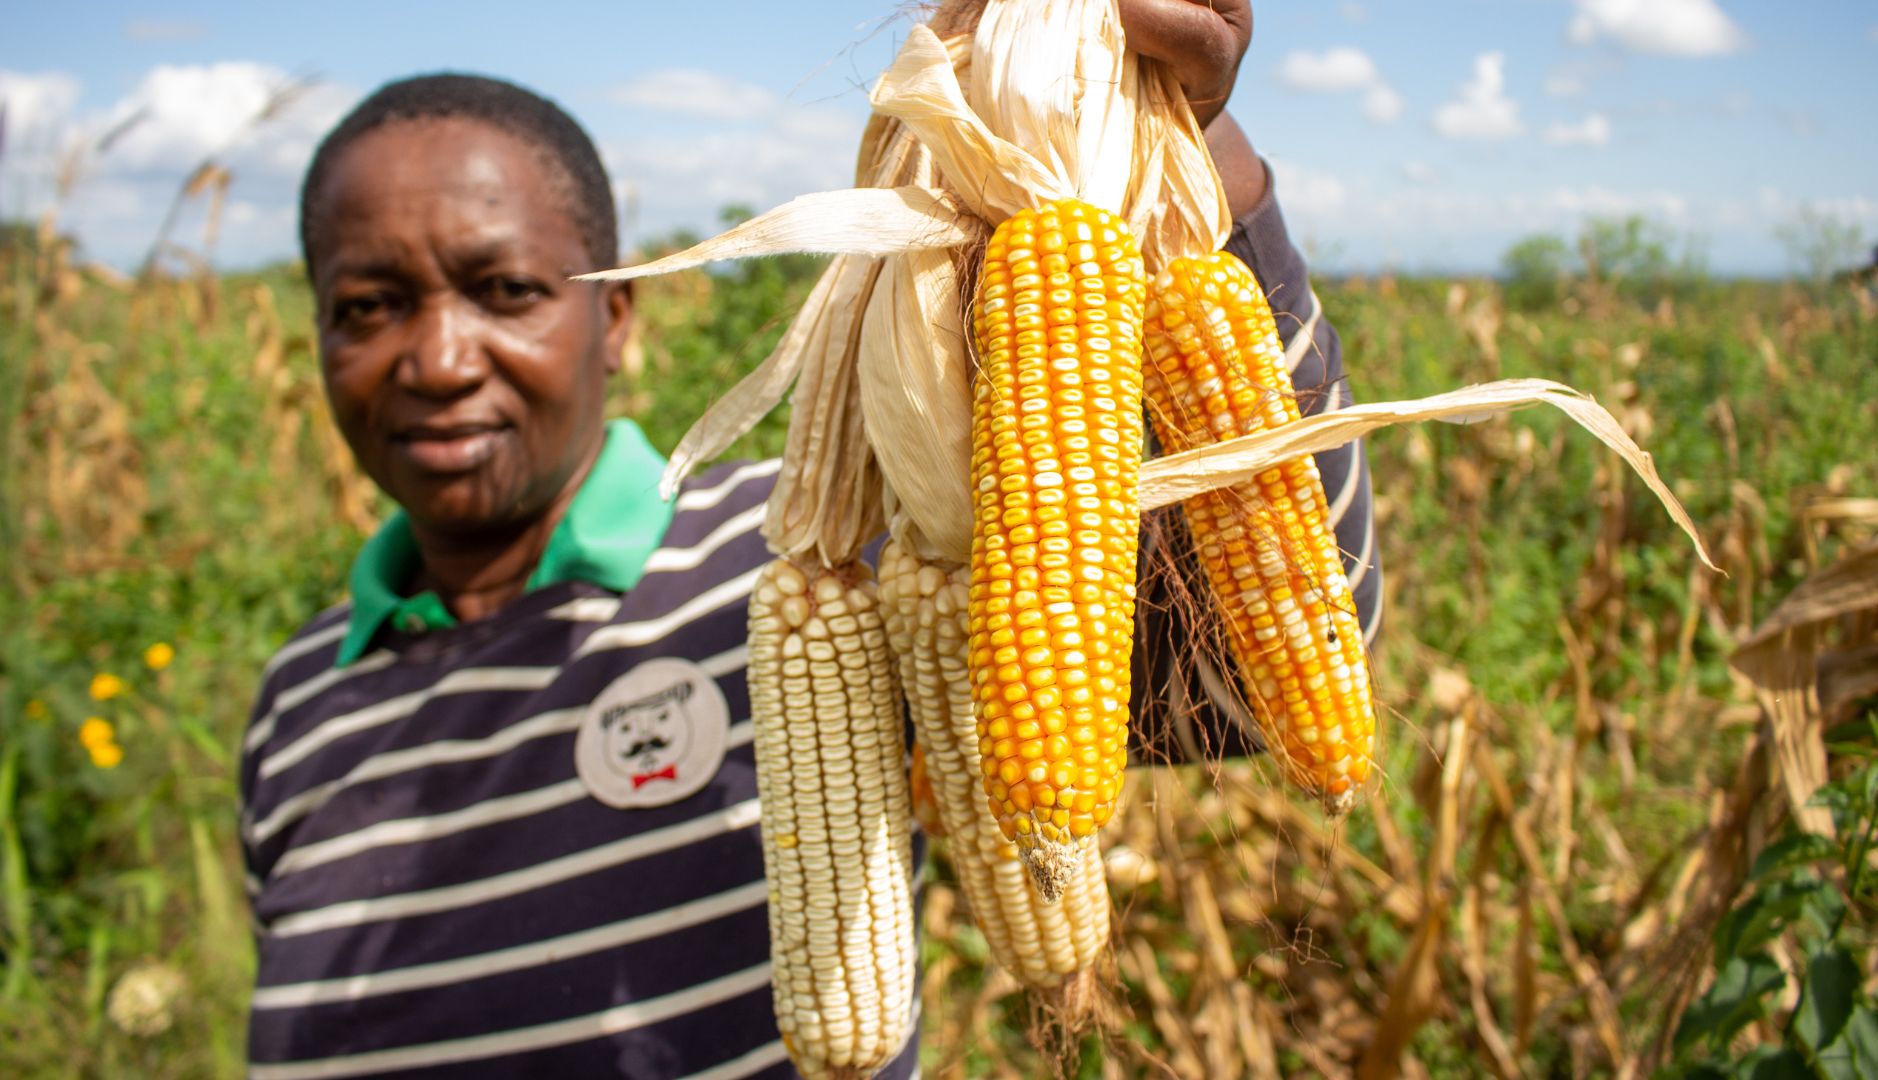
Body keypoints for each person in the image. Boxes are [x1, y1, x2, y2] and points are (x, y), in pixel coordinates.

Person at [238, 1, 1380, 1076]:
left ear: (616, 317)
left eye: (504, 289)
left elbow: (1226, 685)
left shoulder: (802, 565)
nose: (438, 361)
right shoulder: (292, 702)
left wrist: (1201, 154)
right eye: (368, 306)